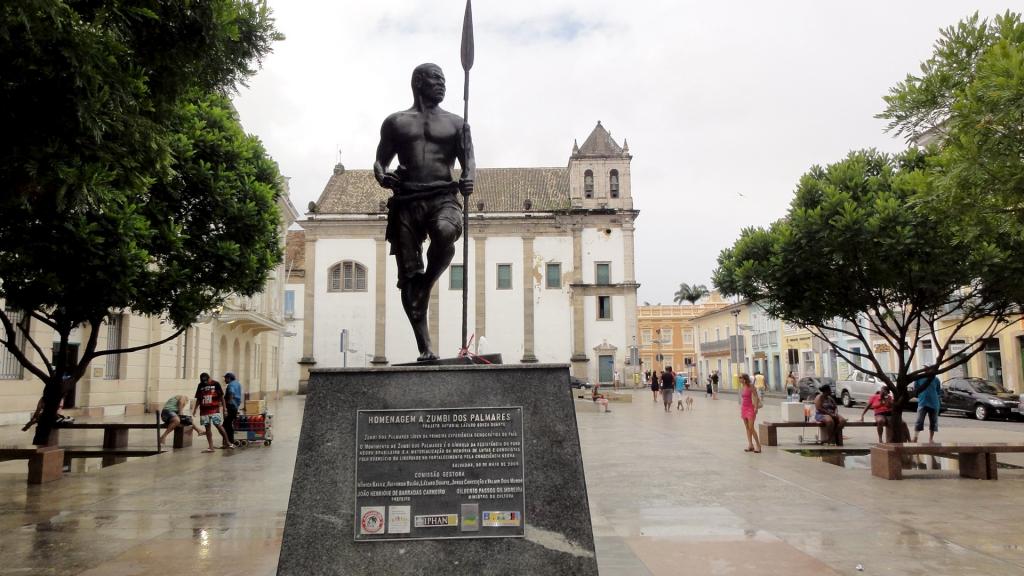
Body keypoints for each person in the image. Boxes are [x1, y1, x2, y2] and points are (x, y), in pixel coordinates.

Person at [374, 63, 475, 361]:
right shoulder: (396, 122)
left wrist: (468, 177)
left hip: (443, 195)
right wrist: (382, 176)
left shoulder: (458, 124)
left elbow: (468, 160)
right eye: (436, 79)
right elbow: (380, 161)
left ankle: (426, 284)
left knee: (446, 232)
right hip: (406, 200)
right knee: (408, 275)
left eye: (444, 80)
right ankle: (425, 348)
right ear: (419, 82)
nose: (442, 85)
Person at [192, 373, 233, 453]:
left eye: (206, 381)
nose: (205, 383)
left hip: (215, 410)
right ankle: (211, 447)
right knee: (207, 428)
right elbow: (198, 399)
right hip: (204, 411)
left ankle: (228, 442)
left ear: (209, 378)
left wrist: (225, 409)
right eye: (204, 382)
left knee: (218, 425)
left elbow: (221, 397)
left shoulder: (216, 384)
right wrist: (195, 409)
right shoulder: (200, 385)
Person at [912, 374, 941, 443]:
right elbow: (916, 389)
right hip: (922, 402)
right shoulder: (919, 379)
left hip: (934, 403)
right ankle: (915, 437)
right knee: (919, 421)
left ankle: (931, 439)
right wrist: (920, 395)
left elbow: (938, 390)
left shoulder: (936, 379)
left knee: (933, 422)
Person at [739, 373, 762, 453]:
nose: (739, 379)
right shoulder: (743, 387)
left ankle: (758, 445)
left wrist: (756, 407)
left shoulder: (751, 386)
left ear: (744, 379)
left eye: (740, 377)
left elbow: (755, 396)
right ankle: (750, 445)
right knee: (747, 428)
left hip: (750, 408)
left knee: (751, 427)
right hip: (744, 408)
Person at [223, 372, 243, 445]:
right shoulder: (237, 383)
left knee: (225, 425)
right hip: (235, 406)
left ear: (229, 378)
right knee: (228, 424)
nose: (224, 380)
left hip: (230, 406)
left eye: (225, 378)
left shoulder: (230, 385)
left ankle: (229, 442)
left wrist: (227, 403)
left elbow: (231, 393)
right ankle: (229, 441)